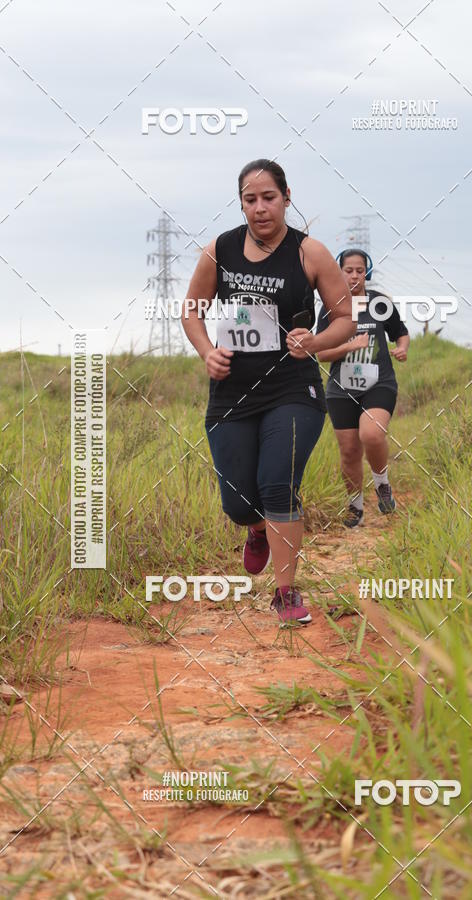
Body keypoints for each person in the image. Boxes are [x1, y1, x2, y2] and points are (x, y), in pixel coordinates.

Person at [182, 159, 355, 626]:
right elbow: (192, 311)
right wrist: (206, 353)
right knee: (239, 503)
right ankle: (256, 529)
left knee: (278, 483)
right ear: (241, 202)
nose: (259, 208)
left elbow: (345, 318)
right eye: (250, 199)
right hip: (231, 392)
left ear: (286, 197)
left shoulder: (309, 253)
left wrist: (315, 342)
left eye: (269, 198)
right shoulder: (220, 249)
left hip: (292, 389)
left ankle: (286, 593)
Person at [316, 249, 410, 528]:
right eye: (349, 270)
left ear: (366, 272)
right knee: (349, 452)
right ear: (340, 272)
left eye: (360, 270)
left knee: (371, 434)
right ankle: (355, 507)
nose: (354, 275)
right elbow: (321, 353)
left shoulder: (379, 302)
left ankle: (381, 483)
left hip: (378, 383)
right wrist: (349, 346)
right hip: (341, 387)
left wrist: (402, 348)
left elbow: (400, 332)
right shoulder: (332, 305)